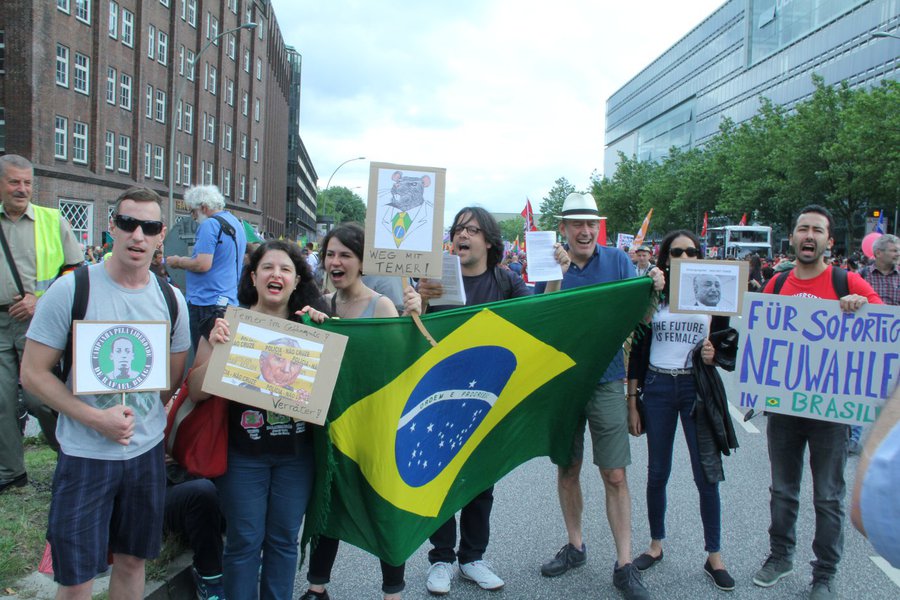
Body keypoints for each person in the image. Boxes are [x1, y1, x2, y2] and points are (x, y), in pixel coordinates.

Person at [21, 186, 190, 598]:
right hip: (84, 456)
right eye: (128, 223)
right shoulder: (71, 290)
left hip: (145, 454)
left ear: (160, 234)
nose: (137, 235)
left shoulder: (172, 301)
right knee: (77, 575)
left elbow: (167, 383)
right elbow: (33, 373)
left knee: (133, 561)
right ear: (111, 226)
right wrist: (97, 419)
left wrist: (140, 420)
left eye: (148, 226)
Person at [534, 193, 662, 600]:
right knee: (567, 468)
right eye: (577, 224)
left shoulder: (620, 262)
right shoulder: (550, 263)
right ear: (565, 229)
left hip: (606, 379)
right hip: (563, 381)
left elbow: (640, 317)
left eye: (591, 224)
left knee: (615, 473)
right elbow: (544, 317)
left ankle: (625, 565)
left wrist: (654, 288)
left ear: (597, 228)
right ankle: (575, 546)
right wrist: (557, 271)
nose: (585, 231)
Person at [753, 204, 882, 600]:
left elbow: (885, 328)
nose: (809, 236)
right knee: (783, 490)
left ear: (829, 240)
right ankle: (780, 556)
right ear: (791, 237)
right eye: (803, 228)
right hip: (786, 411)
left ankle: (824, 573)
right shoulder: (775, 285)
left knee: (828, 496)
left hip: (831, 414)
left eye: (818, 230)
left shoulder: (850, 282)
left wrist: (862, 309)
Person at [189, 240, 326, 599]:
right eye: (267, 267)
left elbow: (334, 385)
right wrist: (220, 350)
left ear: (297, 281)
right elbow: (195, 391)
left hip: (296, 456)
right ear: (253, 276)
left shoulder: (310, 329)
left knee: (283, 540)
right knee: (244, 540)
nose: (276, 274)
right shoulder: (225, 325)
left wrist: (329, 333)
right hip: (241, 455)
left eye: (285, 269)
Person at [300, 223, 421, 600]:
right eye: (330, 255)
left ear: (362, 262)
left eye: (345, 255)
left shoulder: (381, 305)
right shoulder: (323, 303)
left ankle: (392, 592)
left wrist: (412, 317)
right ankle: (317, 588)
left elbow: (398, 364)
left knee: (381, 507)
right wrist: (313, 324)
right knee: (329, 504)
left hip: (374, 426)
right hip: (333, 426)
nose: (336, 262)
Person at [417, 207, 534, 595]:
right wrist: (419, 298)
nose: (462, 235)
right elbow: (414, 330)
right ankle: (442, 559)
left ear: (488, 240)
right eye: (457, 229)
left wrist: (554, 277)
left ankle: (472, 558)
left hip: (489, 397)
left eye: (472, 229)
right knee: (442, 481)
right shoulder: (435, 281)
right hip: (443, 396)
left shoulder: (507, 281)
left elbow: (539, 318)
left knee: (481, 482)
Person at [626, 229, 734, 592]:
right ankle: (655, 545)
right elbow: (638, 349)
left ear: (700, 256)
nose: (684, 258)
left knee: (706, 474)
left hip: (695, 389)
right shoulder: (653, 297)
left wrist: (713, 354)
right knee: (657, 472)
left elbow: (727, 347)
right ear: (664, 259)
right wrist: (632, 399)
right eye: (676, 252)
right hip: (657, 388)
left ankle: (714, 555)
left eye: (691, 252)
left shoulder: (713, 295)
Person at [0, 154, 83, 489]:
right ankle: (11, 471)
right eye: (14, 182)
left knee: (41, 398)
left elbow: (76, 273)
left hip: (41, 325)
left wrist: (40, 300)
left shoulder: (52, 220)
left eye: (27, 182)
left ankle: (71, 457)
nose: (22, 189)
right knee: (2, 401)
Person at [166, 185, 247, 351]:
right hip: (227, 300)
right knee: (219, 355)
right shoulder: (236, 223)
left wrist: (178, 261)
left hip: (205, 301)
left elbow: (202, 264)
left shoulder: (210, 224)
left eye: (193, 211)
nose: (194, 218)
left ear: (203, 207)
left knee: (202, 355)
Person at [850, 385, 900, 569]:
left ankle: (825, 573)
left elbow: (870, 510)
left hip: (831, 425)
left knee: (827, 497)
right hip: (787, 416)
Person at [163, 461, 226, 600]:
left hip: (201, 473)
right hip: (160, 489)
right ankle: (211, 580)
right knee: (202, 492)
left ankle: (251, 557)